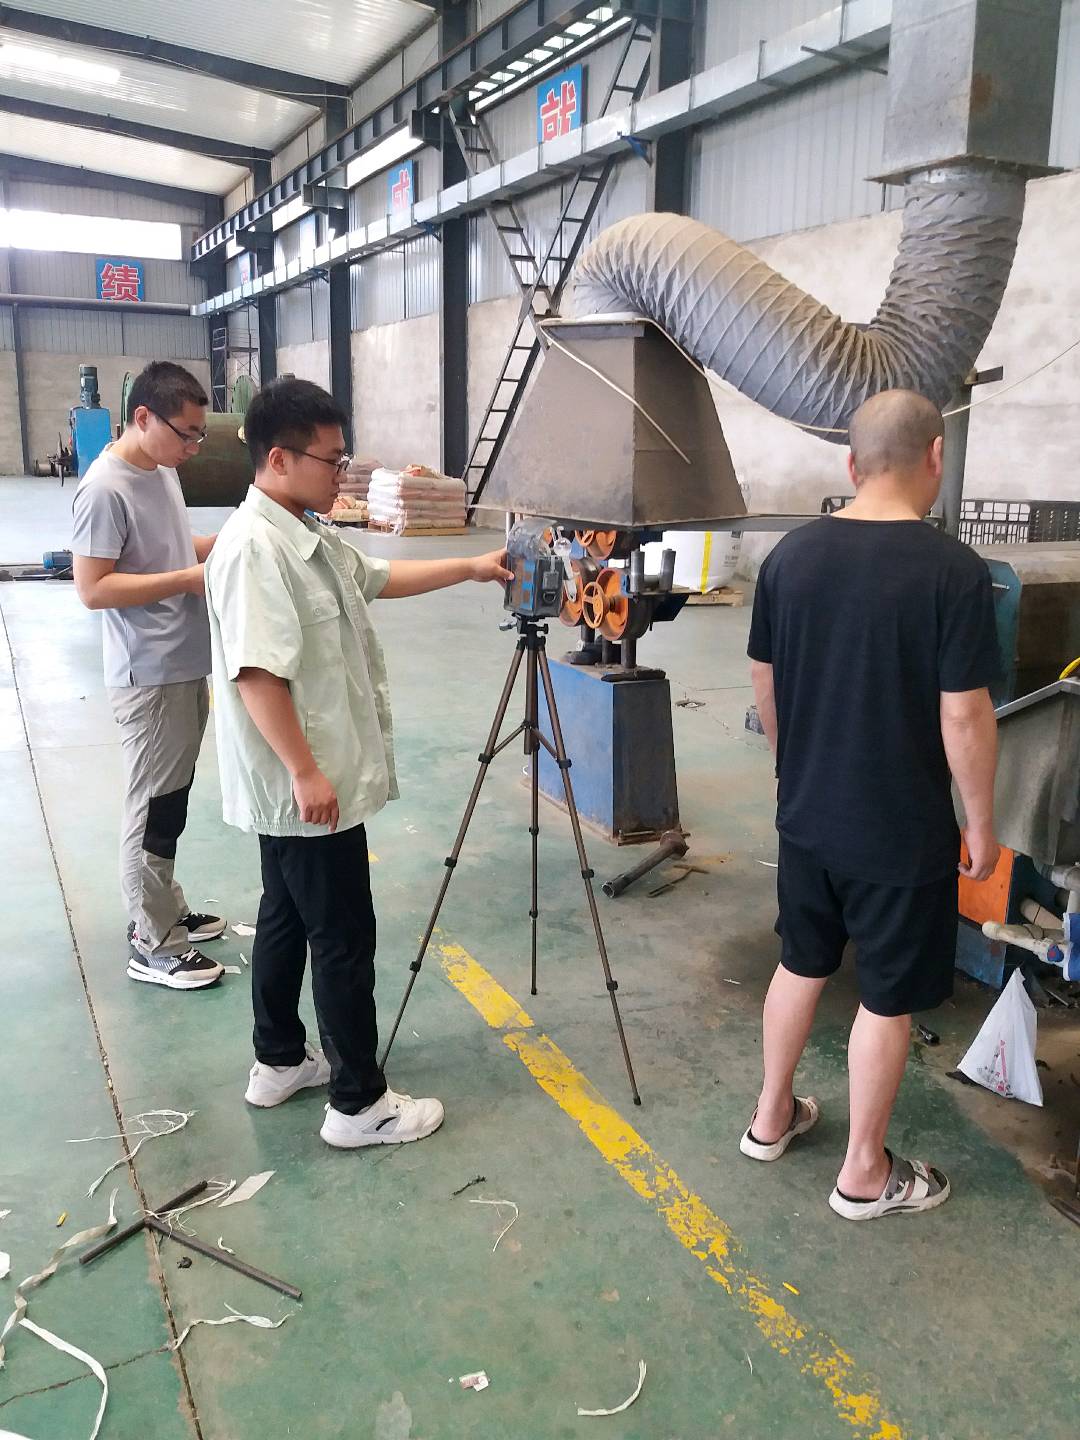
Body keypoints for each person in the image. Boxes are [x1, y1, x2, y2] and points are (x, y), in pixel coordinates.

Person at [205, 378, 511, 1149]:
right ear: (280, 458)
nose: (341, 473)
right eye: (331, 460)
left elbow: (377, 577)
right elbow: (256, 675)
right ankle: (359, 1104)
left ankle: (279, 1061)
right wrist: (306, 772)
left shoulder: (304, 532)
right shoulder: (256, 549)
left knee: (285, 915)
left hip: (303, 782)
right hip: (308, 785)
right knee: (342, 935)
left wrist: (474, 566)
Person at [743, 388, 1001, 1220]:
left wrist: (793, 767)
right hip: (899, 830)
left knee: (801, 961)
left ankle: (771, 1118)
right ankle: (863, 1172)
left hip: (807, 815)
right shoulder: (953, 572)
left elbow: (764, 680)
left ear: (852, 465)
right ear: (935, 458)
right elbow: (963, 714)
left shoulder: (789, 558)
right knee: (885, 997)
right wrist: (982, 823)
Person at [72, 362, 226, 992]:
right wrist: (187, 580)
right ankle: (151, 938)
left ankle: (163, 906)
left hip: (184, 659)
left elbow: (173, 547)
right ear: (143, 417)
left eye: (198, 435)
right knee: (153, 805)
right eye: (186, 434)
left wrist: (228, 545)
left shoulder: (161, 471)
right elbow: (93, 587)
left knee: (173, 798)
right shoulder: (104, 489)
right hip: (149, 672)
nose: (193, 447)